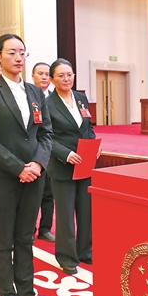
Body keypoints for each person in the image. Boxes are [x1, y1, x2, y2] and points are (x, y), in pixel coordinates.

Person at [0, 34, 53, 296]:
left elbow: (45, 133)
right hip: (4, 177)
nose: (18, 58)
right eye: (11, 52)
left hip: (34, 175)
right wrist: (18, 167)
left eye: (22, 52)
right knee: (4, 239)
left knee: (25, 237)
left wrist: (37, 163)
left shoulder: (35, 92)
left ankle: (27, 295)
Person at [46, 59, 97, 275]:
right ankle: (66, 257)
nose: (66, 79)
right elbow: (46, 137)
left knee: (86, 211)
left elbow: (88, 127)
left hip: (84, 163)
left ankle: (85, 250)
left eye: (70, 75)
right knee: (66, 215)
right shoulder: (48, 104)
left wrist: (94, 145)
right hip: (62, 166)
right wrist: (65, 154)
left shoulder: (81, 98)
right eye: (61, 76)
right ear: (52, 79)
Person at [31, 62, 55, 243]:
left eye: (47, 74)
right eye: (40, 73)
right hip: (32, 153)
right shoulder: (27, 96)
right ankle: (29, 229)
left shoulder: (55, 98)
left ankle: (45, 229)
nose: (44, 77)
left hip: (51, 153)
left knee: (48, 194)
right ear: (33, 76)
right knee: (31, 195)